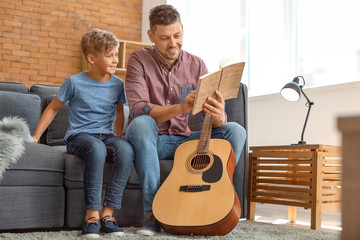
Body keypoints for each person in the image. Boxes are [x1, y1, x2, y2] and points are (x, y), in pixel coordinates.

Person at [124, 4, 247, 236]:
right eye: (164, 38)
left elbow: (214, 119)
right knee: (142, 123)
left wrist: (219, 115)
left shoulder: (198, 64)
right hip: (152, 139)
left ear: (183, 29)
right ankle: (153, 214)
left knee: (235, 131)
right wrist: (181, 107)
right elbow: (139, 109)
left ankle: (214, 200)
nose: (173, 44)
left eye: (177, 35)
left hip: (184, 141)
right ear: (151, 36)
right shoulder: (138, 60)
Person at [32, 29, 134, 239]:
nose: (116, 60)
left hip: (106, 135)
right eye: (110, 55)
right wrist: (35, 136)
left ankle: (108, 216)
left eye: (116, 54)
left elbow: (119, 112)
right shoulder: (74, 82)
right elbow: (52, 108)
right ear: (91, 58)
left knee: (125, 150)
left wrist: (118, 137)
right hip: (79, 136)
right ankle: (92, 216)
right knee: (96, 148)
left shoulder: (118, 84)